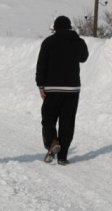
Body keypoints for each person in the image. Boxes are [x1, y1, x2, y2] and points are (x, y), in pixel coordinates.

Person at [36, 16, 89, 165]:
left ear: (56, 28)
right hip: (72, 90)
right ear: (70, 27)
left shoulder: (48, 42)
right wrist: (77, 40)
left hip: (52, 89)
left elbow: (41, 66)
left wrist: (41, 86)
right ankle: (63, 157)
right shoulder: (78, 42)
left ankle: (52, 141)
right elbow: (83, 57)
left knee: (49, 118)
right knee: (67, 122)